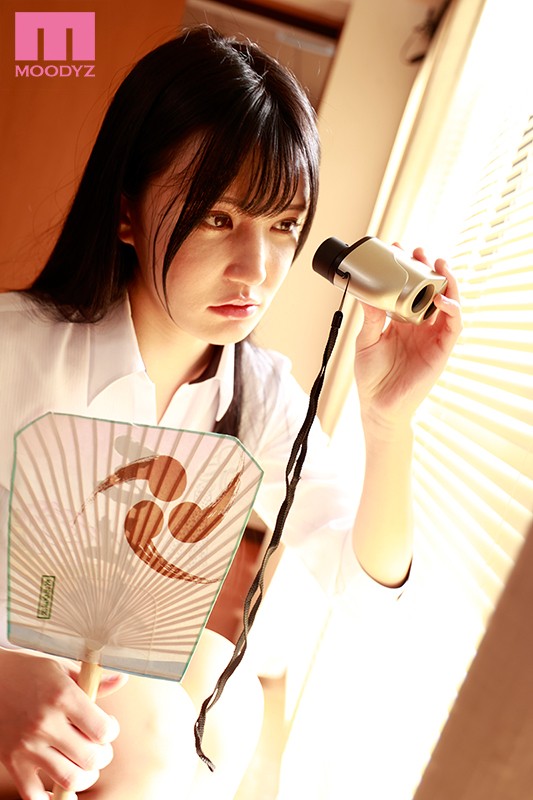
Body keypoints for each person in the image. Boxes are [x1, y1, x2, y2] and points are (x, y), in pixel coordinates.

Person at [0, 24, 462, 800]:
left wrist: (388, 424)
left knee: (214, 699)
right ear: (126, 211)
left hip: (103, 744)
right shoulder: (14, 348)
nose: (255, 269)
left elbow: (368, 596)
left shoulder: (261, 399)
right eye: (217, 217)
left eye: (282, 227)